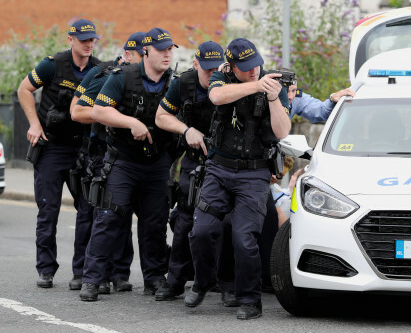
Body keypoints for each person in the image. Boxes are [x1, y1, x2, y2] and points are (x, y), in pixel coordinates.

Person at [186, 38, 290, 320]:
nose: (254, 71)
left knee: (244, 239)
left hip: (254, 172)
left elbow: (282, 131)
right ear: (231, 66)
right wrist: (257, 86)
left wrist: (271, 97)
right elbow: (217, 97)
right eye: (245, 68)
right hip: (219, 168)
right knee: (202, 231)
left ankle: (249, 299)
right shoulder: (221, 77)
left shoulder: (273, 86)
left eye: (256, 65)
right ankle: (203, 281)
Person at [79, 28, 177, 301]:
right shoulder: (122, 77)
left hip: (157, 163)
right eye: (161, 49)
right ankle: (92, 279)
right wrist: (131, 122)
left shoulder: (175, 81)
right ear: (146, 52)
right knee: (108, 218)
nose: (167, 54)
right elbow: (99, 110)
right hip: (123, 160)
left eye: (170, 49)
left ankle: (155, 279)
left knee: (155, 224)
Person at [16, 19, 101, 289]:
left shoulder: (98, 69)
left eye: (92, 39)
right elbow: (24, 89)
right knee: (48, 209)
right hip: (51, 147)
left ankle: (81, 271)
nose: (88, 44)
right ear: (70, 40)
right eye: (83, 39)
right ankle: (46, 269)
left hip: (82, 148)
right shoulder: (52, 65)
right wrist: (34, 123)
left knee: (87, 209)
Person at [67, 31, 146, 294]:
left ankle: (119, 272)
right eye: (141, 55)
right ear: (127, 55)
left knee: (122, 216)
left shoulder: (152, 80)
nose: (146, 60)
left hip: (133, 157)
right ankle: (85, 273)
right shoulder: (104, 74)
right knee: (95, 215)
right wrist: (110, 114)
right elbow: (77, 111)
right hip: (101, 153)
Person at [153, 41, 225, 302]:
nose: (213, 75)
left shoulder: (231, 82)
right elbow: (161, 117)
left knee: (227, 222)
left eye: (218, 69)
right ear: (196, 65)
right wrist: (186, 130)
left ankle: (224, 283)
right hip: (195, 161)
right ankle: (175, 281)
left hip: (226, 163)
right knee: (185, 217)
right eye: (208, 70)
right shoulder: (184, 83)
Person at [283, 68, 355, 122]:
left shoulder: (296, 99)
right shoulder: (271, 100)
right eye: (286, 91)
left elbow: (320, 111)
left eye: (293, 90)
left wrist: (332, 99)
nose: (291, 96)